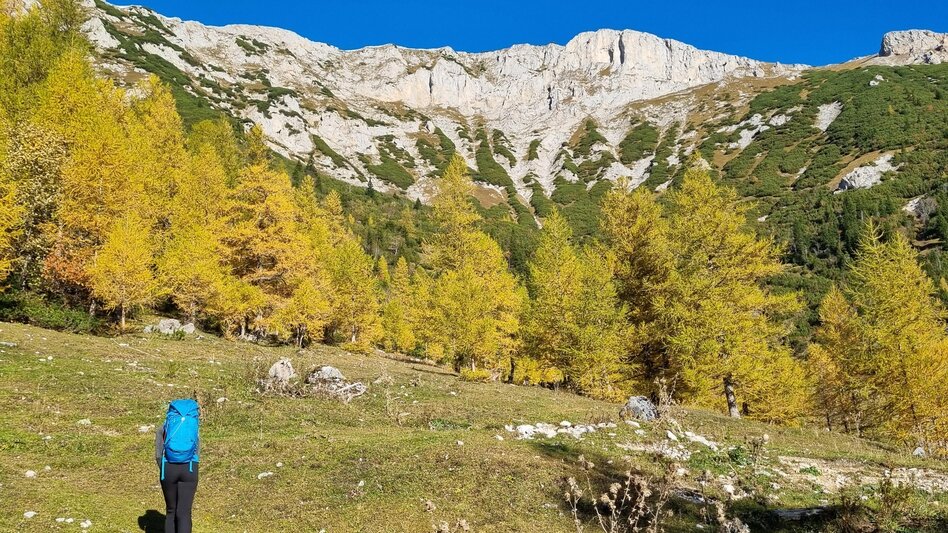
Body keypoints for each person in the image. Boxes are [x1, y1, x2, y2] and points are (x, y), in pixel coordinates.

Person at [155, 398, 200, 533]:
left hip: (168, 468)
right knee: (184, 513)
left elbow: (158, 454)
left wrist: (164, 468)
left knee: (171, 511)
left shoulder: (163, 427)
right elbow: (198, 450)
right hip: (190, 468)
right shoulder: (193, 425)